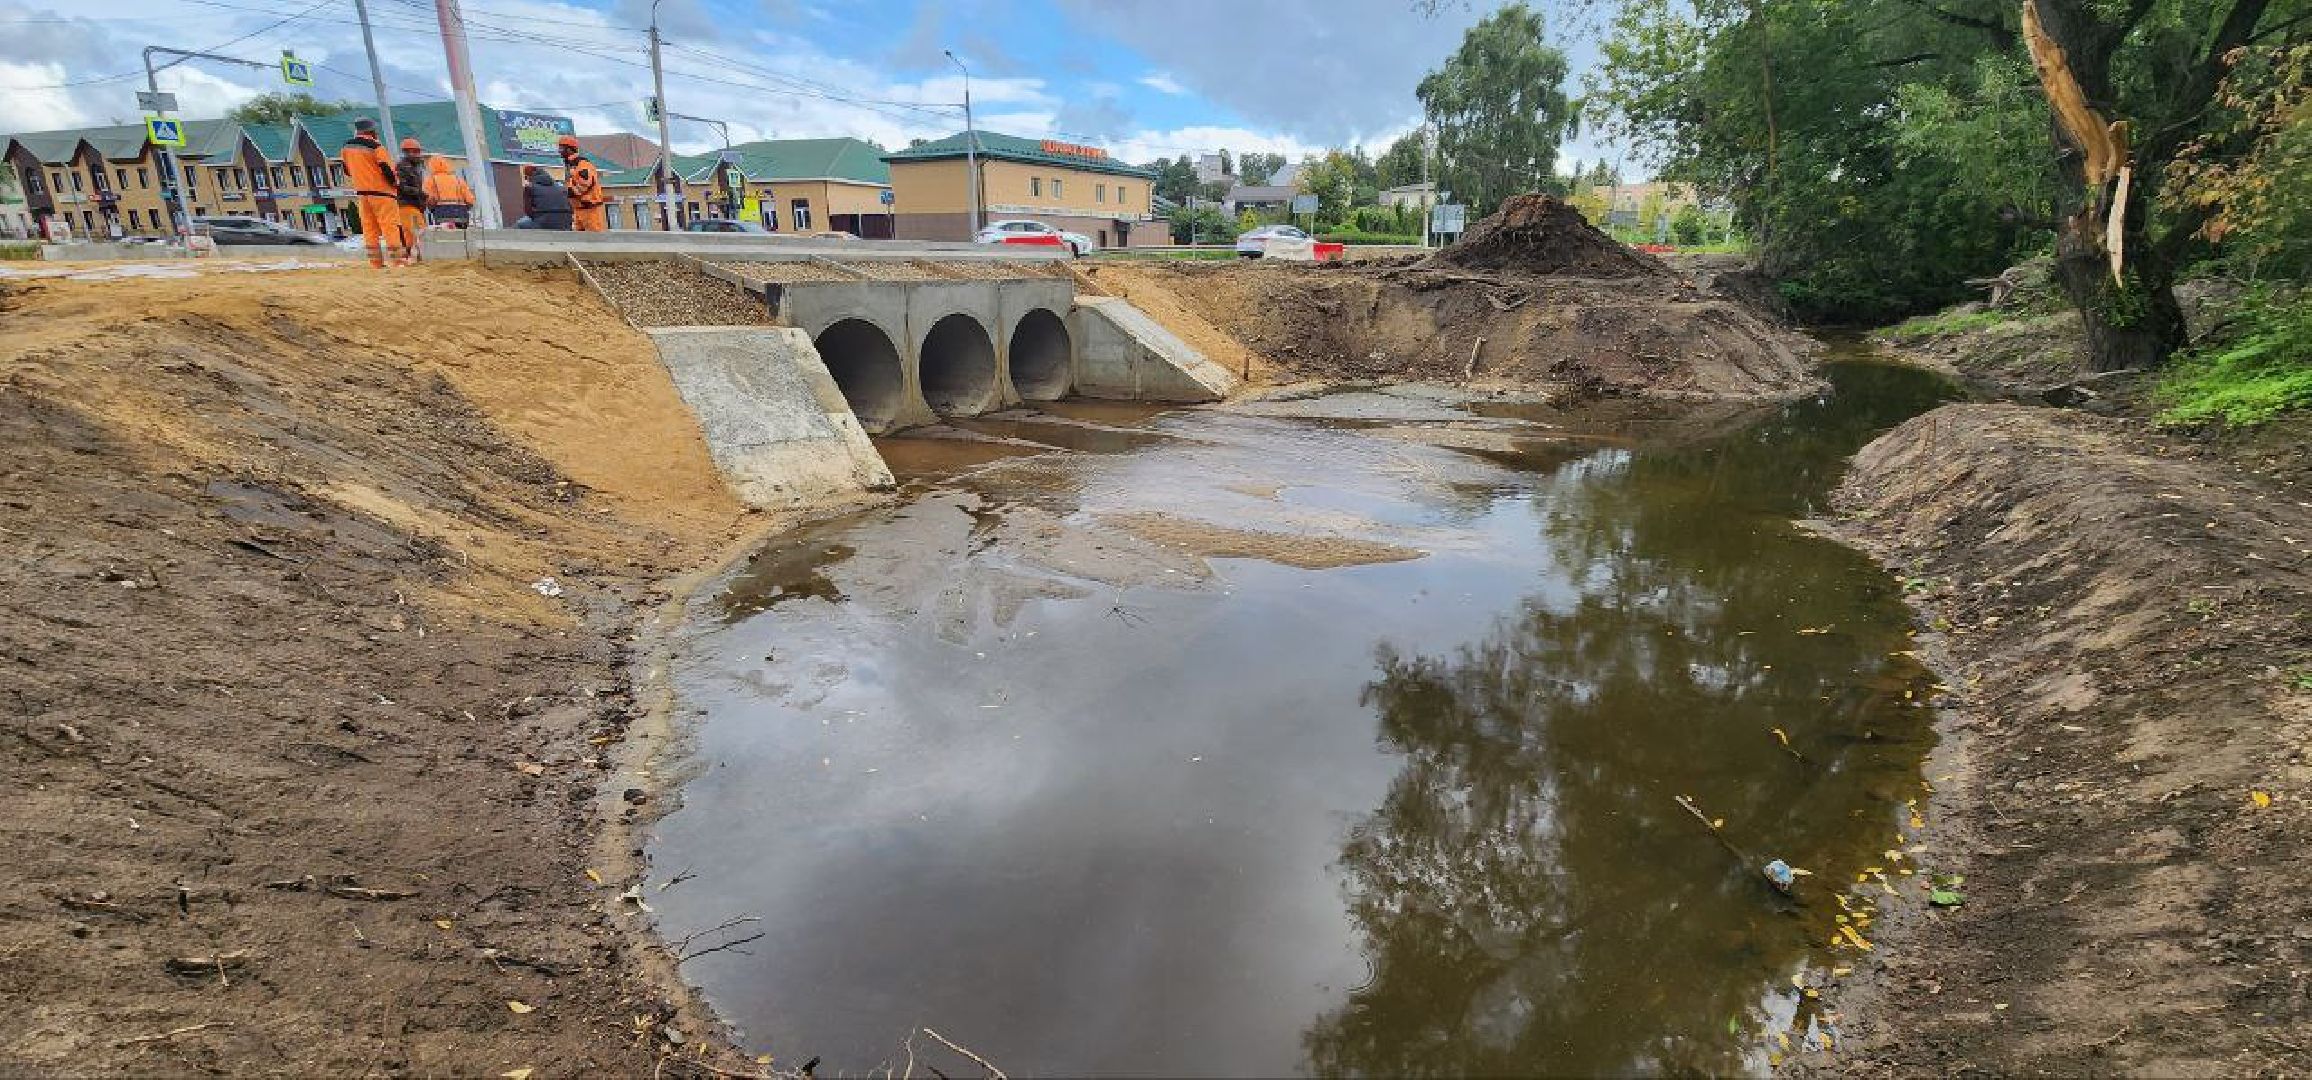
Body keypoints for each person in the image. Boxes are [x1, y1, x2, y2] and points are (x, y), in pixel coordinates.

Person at [338, 118, 407, 268]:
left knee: (369, 229)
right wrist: (396, 183)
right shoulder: (376, 147)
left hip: (362, 194)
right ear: (372, 131)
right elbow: (387, 170)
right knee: (390, 227)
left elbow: (347, 170)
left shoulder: (346, 148)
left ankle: (375, 263)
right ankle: (397, 261)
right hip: (383, 194)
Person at [557, 135, 608, 232]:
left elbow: (584, 186)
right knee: (579, 242)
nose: (559, 151)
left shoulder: (582, 165)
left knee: (594, 240)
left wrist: (566, 192)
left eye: (561, 148)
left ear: (570, 149)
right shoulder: (571, 165)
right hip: (579, 209)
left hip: (589, 209)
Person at [394, 137, 430, 262]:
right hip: (406, 205)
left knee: (417, 232)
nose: (418, 155)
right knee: (413, 233)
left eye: (418, 152)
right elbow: (401, 187)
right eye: (415, 152)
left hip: (414, 205)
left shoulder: (414, 167)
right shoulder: (402, 167)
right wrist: (421, 193)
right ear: (408, 152)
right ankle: (411, 257)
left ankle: (415, 257)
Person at [424, 156, 475, 228]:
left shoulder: (431, 180)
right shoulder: (459, 180)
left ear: (431, 167)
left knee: (445, 238)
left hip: (441, 216)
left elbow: (429, 200)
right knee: (461, 237)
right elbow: (470, 201)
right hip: (461, 216)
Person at [521, 166, 572, 230]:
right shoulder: (560, 187)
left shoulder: (529, 188)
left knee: (520, 224)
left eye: (525, 177)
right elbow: (570, 206)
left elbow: (528, 211)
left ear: (528, 177)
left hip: (543, 223)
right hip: (564, 223)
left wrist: (540, 218)